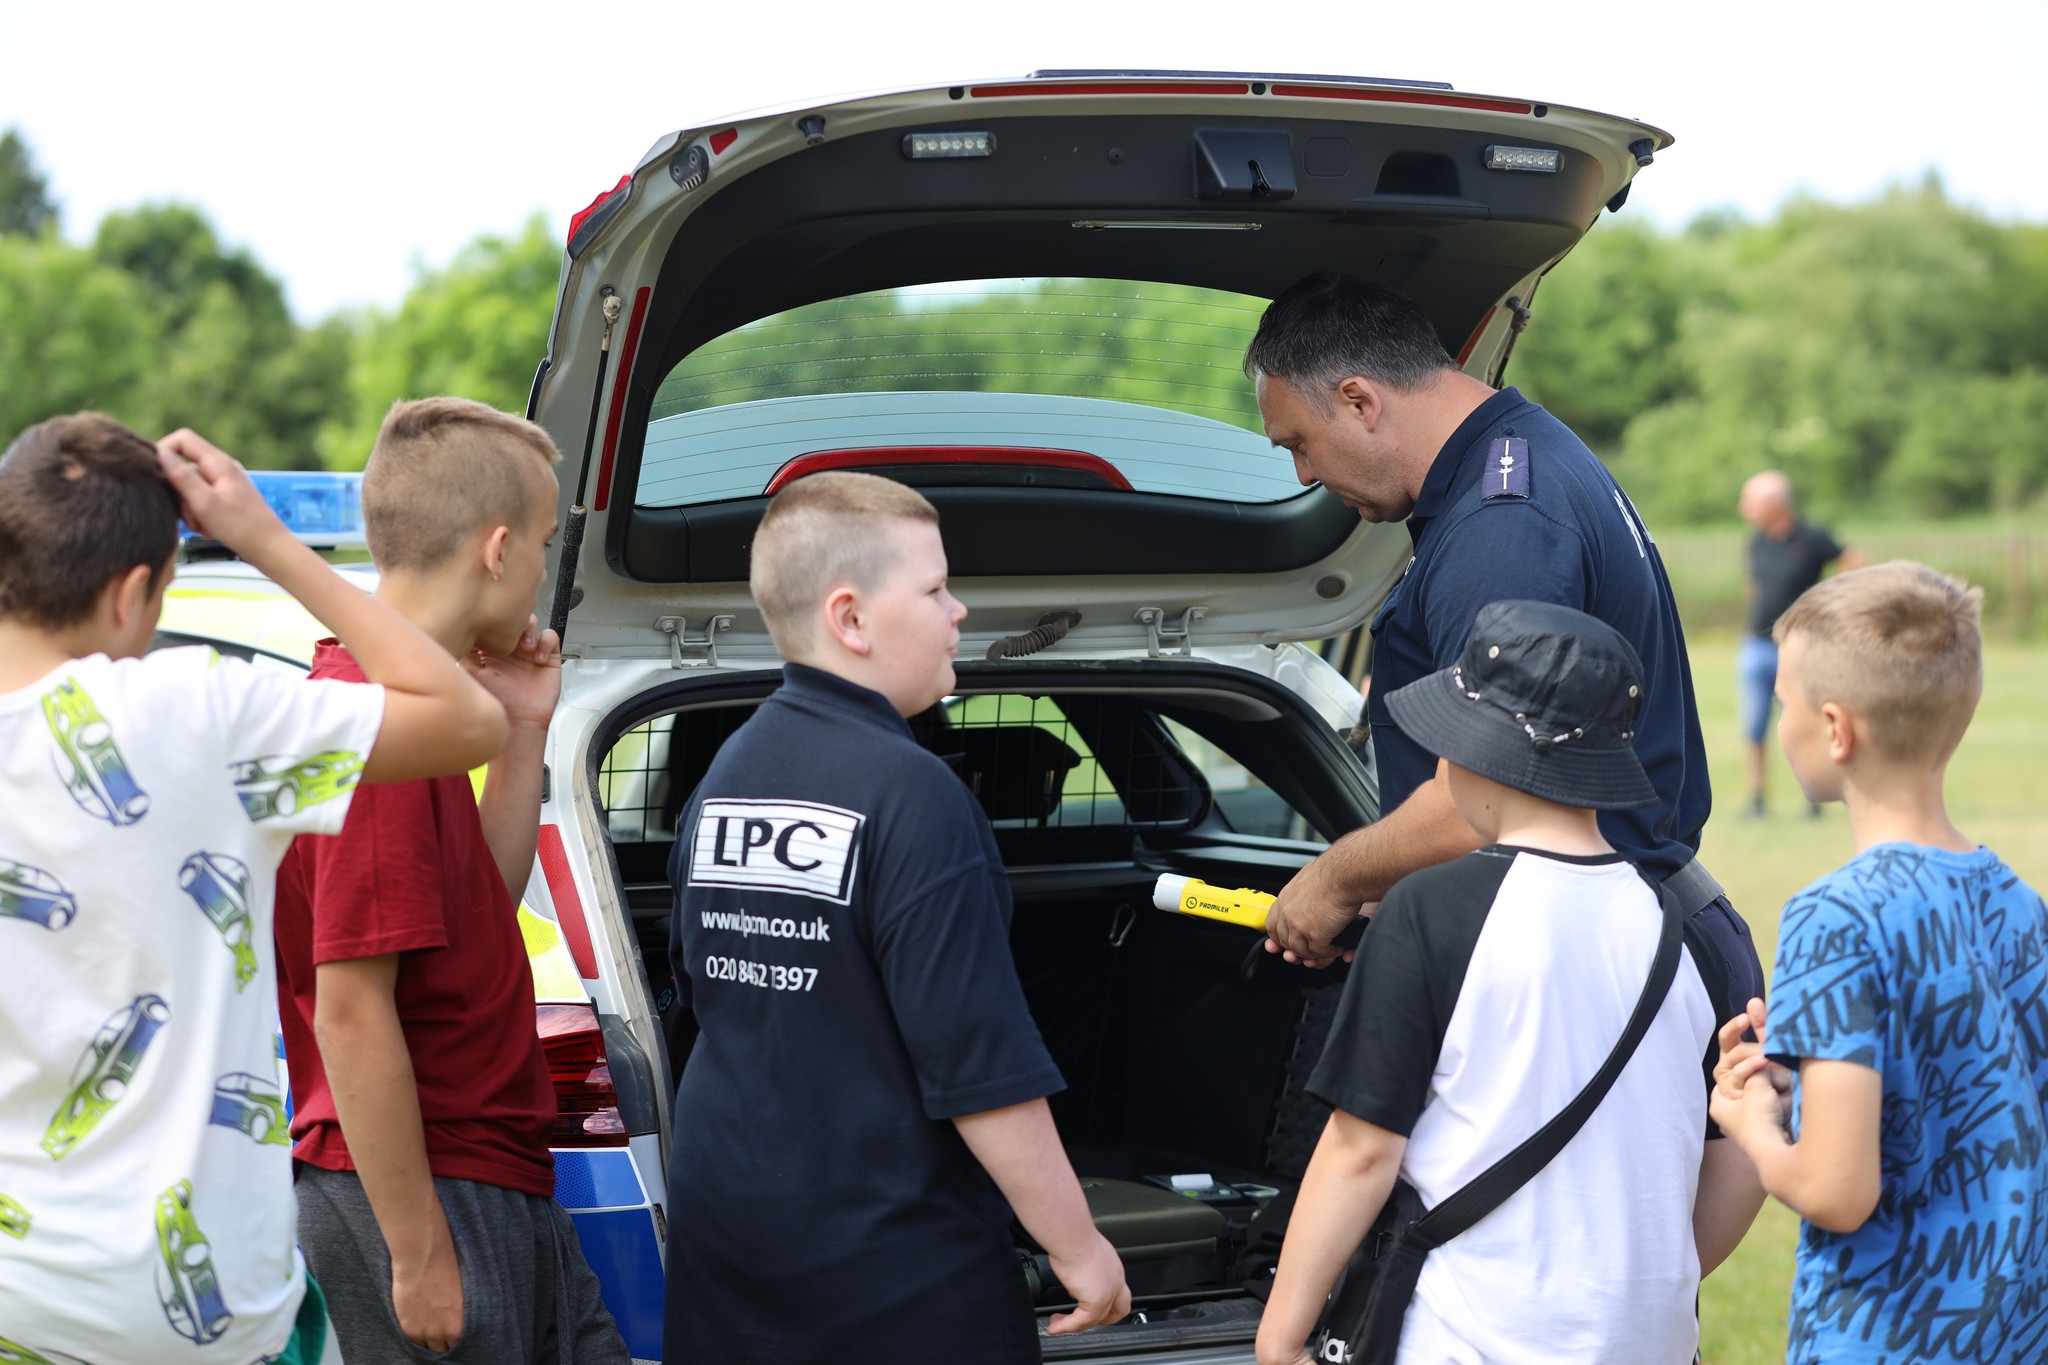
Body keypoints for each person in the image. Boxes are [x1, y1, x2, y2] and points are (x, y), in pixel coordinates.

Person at [1245, 272, 1766, 1252]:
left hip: (1589, 962)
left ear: (1358, 399)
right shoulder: (1525, 458)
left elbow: (1480, 799)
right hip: (1647, 928)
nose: (1306, 475)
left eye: (1299, 444)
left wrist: (1333, 878)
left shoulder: (1501, 530)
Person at [0, 415, 505, 1363]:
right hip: (194, 1319)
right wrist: (266, 541)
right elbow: (469, 720)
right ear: (133, 592)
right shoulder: (194, 710)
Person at [663, 471, 1129, 1362]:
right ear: (851, 618)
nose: (959, 611)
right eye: (934, 588)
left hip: (730, 1249)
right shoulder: (916, 796)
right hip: (892, 1274)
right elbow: (979, 1067)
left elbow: (705, 988)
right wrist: (1079, 1247)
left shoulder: (727, 775)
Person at [1254, 600, 1751, 1365]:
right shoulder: (1684, 929)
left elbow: (1360, 1150)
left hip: (1470, 1342)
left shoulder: (1429, 909)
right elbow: (1740, 1152)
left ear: (1477, 751)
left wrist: (1280, 1337)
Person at [272, 398, 630, 1363]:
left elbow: (479, 914)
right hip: (426, 1192)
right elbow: (351, 1012)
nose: (546, 572)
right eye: (546, 545)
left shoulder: (402, 713)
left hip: (486, 1180)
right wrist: (419, 1249)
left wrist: (522, 730)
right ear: (498, 550)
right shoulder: (370, 725)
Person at [1712, 561, 2048, 1364]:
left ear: (1835, 729)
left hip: (1884, 1337)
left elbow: (1837, 1190)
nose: (1778, 722)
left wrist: (1754, 1126)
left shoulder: (1834, 916)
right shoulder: (2023, 904)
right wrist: (1802, 1087)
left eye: (1784, 702)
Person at [1735, 470, 1862, 818]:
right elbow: (1755, 586)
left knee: (1805, 723)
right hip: (1757, 646)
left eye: (1751, 502)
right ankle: (1757, 799)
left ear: (1775, 504)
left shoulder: (1812, 538)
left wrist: (1833, 607)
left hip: (1798, 648)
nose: (1744, 509)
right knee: (1754, 726)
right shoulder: (1757, 541)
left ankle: (1814, 799)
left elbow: (1855, 563)